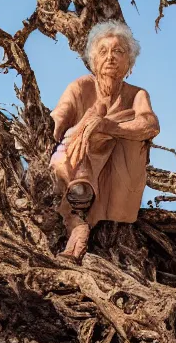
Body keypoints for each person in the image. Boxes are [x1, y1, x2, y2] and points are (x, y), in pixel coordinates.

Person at [49, 20, 161, 261]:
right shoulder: (80, 87)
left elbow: (151, 124)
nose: (110, 57)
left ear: (129, 61)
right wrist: (72, 128)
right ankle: (79, 213)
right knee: (88, 126)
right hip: (73, 160)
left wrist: (107, 126)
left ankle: (82, 189)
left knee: (109, 126)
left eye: (118, 51)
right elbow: (57, 118)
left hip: (116, 176)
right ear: (93, 61)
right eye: (103, 51)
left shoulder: (136, 94)